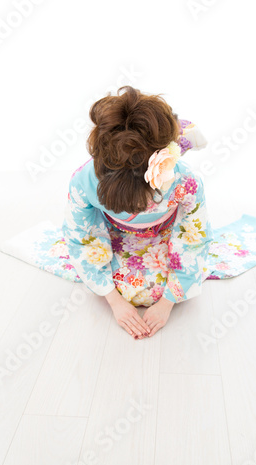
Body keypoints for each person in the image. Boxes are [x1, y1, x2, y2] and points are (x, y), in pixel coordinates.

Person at [62, 86, 214, 340]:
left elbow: (192, 235)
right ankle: (176, 130)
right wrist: (114, 301)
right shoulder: (84, 181)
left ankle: (180, 133)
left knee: (154, 290)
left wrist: (167, 303)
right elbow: (82, 235)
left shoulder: (182, 180)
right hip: (116, 228)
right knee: (128, 289)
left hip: (166, 226)